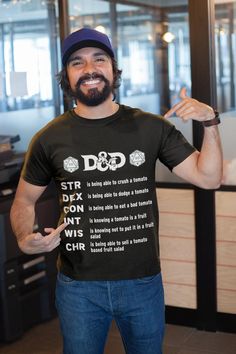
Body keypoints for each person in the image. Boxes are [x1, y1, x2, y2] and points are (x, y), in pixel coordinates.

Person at [10, 28, 223, 354]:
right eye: (77, 63)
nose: (89, 69)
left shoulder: (150, 127)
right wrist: (25, 237)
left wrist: (210, 122)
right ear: (66, 77)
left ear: (113, 69)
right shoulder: (49, 138)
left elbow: (208, 179)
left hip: (142, 282)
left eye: (99, 59)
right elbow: (24, 200)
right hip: (78, 286)